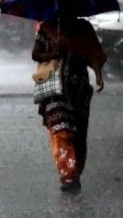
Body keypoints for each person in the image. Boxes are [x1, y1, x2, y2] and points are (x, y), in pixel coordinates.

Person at [31, 14, 106, 193]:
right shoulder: (47, 27)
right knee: (60, 131)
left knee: (78, 134)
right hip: (54, 90)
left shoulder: (83, 28)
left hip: (78, 89)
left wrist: (98, 74)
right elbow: (35, 53)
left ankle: (75, 172)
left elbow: (94, 53)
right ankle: (68, 176)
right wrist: (54, 52)